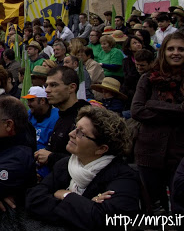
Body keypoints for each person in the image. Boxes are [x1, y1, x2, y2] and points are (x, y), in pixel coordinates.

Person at [26, 106, 141, 230]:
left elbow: (105, 220)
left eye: (81, 133)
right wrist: (85, 205)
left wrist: (64, 195)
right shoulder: (64, 165)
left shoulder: (124, 178)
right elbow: (33, 199)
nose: (71, 134)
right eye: (75, 128)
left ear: (101, 149)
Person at [131, 32, 184, 213]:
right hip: (149, 150)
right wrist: (177, 110)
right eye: (171, 49)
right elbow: (137, 110)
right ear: (163, 52)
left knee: (180, 204)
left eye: (181, 49)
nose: (175, 53)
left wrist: (153, 105)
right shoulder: (148, 78)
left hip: (180, 152)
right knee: (153, 207)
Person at [34, 66, 90, 171]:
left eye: (53, 85)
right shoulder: (62, 116)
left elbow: (87, 161)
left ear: (71, 88)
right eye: (46, 85)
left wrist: (51, 157)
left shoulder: (85, 119)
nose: (47, 90)